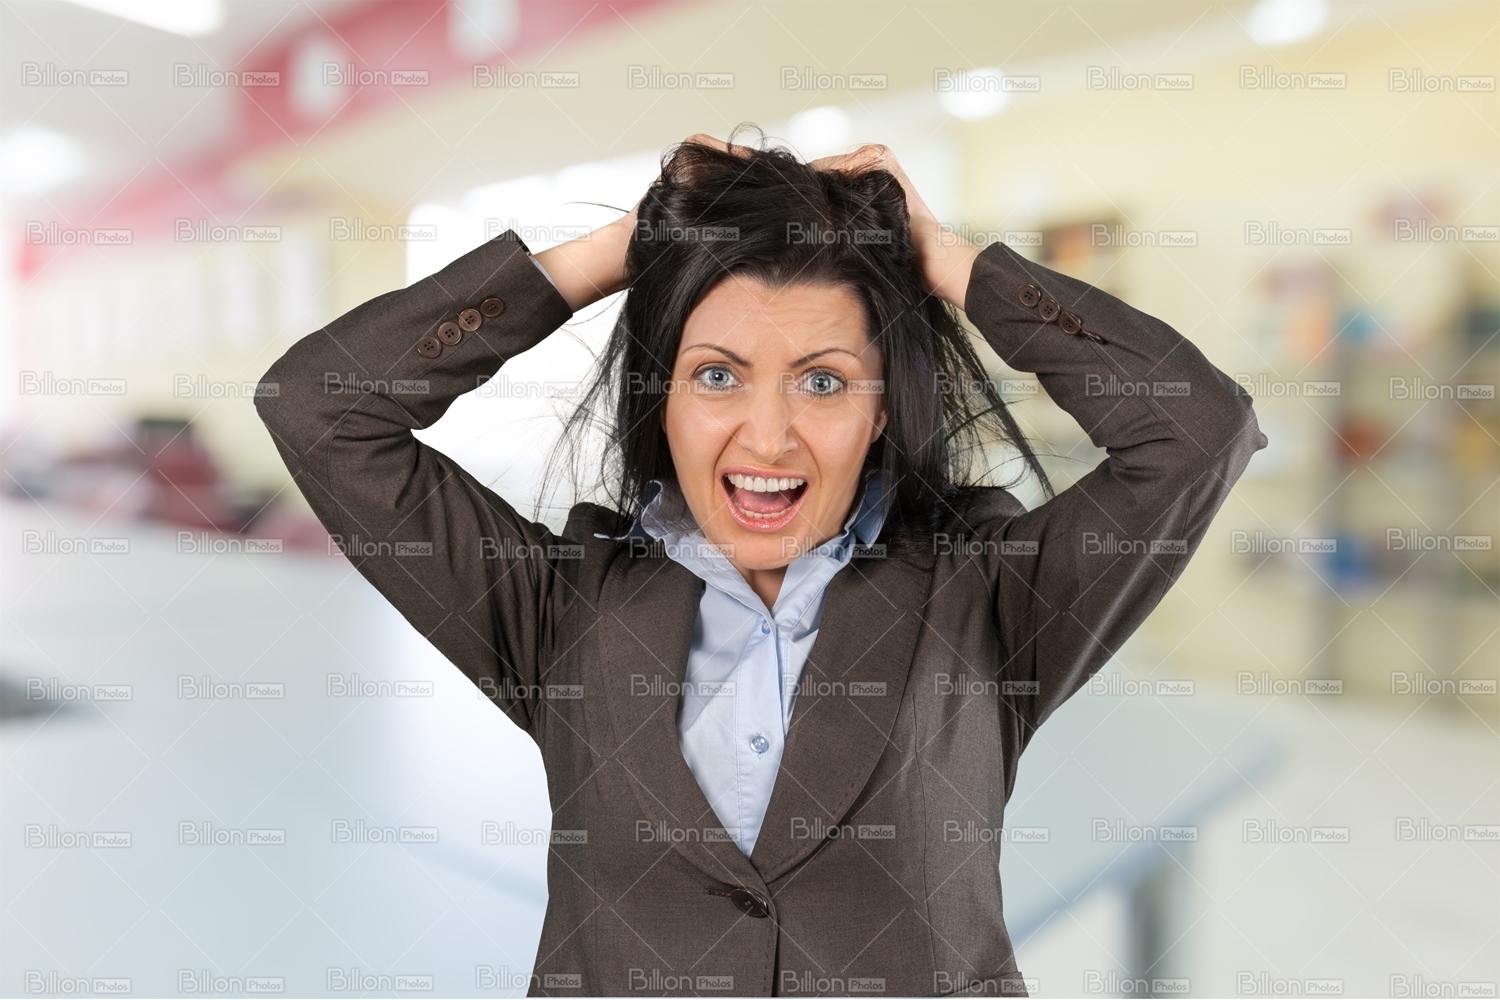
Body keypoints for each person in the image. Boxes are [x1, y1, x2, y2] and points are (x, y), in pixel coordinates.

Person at [255, 127, 1266, 997]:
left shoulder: (989, 598)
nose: (769, 436)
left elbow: (1197, 432)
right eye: (717, 376)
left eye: (823, 382)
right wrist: (625, 249)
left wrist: (944, 256)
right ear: (662, 398)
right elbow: (319, 408)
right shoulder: (561, 607)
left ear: (881, 410)